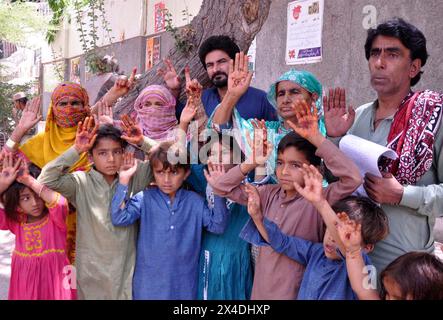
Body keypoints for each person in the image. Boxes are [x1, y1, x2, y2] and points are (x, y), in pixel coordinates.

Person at [324, 18, 443, 274]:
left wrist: (402, 195)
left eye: (392, 54)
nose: (379, 62)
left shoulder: (431, 120)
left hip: (404, 267)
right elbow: (338, 181)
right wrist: (333, 139)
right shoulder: (357, 117)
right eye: (375, 53)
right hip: (353, 258)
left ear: (414, 67)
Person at [208, 103, 362, 299]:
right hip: (261, 292)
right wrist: (252, 162)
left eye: (295, 165)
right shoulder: (268, 194)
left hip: (298, 291)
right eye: (280, 163)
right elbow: (221, 187)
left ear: (316, 169)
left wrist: (317, 138)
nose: (284, 172)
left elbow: (353, 179)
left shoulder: (320, 198)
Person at [4, 78, 136, 263]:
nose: (69, 109)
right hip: (54, 229)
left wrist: (111, 97)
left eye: (75, 103)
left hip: (98, 227)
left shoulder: (94, 138)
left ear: (84, 106)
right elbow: (6, 163)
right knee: (62, 287)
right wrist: (19, 130)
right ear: (53, 109)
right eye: (62, 104)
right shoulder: (40, 143)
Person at [37, 119, 157, 299]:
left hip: (126, 271)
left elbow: (173, 159)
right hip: (91, 273)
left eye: (117, 152)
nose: (111, 159)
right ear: (91, 156)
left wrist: (142, 142)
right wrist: (76, 149)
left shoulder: (134, 174)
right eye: (102, 153)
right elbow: (45, 180)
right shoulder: (80, 182)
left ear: (124, 153)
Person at [246, 162, 388, 299]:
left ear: (367, 248)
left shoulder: (362, 266)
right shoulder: (316, 253)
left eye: (346, 235)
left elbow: (352, 255)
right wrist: (258, 218)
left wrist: (320, 203)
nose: (333, 237)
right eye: (331, 228)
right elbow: (283, 243)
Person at [110, 142, 230, 300]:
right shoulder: (145, 198)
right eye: (159, 172)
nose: (166, 179)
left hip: (184, 286)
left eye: (174, 173)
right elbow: (119, 217)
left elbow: (218, 225)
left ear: (186, 173)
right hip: (148, 286)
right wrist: (124, 180)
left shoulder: (194, 202)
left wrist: (218, 191)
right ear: (153, 173)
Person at [210, 52, 326, 177]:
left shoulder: (325, 129)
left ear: (313, 97)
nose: (286, 99)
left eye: (294, 92)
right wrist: (232, 94)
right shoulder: (264, 130)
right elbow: (220, 127)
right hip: (271, 196)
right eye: (281, 94)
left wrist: (336, 136)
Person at [186, 133, 253, 300]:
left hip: (237, 261)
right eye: (211, 153)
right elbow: (181, 157)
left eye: (223, 152)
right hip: (209, 258)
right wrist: (187, 123)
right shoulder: (205, 181)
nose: (217, 159)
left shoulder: (250, 187)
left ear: (238, 156)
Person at [0, 154, 76, 300]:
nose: (35, 203)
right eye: (26, 198)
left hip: (57, 280)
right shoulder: (16, 221)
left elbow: (60, 203)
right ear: (16, 201)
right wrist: (2, 185)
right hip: (25, 281)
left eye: (38, 195)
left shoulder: (56, 219)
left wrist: (29, 181)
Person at [159, 35, 277, 121]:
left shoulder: (261, 99)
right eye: (210, 65)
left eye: (221, 62)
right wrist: (175, 90)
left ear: (235, 62)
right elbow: (177, 115)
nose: (215, 69)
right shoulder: (202, 97)